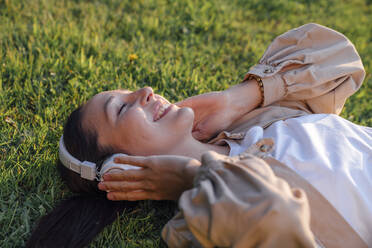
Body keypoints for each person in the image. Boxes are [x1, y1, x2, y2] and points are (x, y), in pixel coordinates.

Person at [27, 23, 371, 247]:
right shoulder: (204, 223)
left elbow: (339, 58)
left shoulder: (255, 123)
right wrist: (193, 179)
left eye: (131, 90)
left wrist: (241, 97)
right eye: (122, 108)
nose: (145, 90)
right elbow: (274, 217)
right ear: (122, 168)